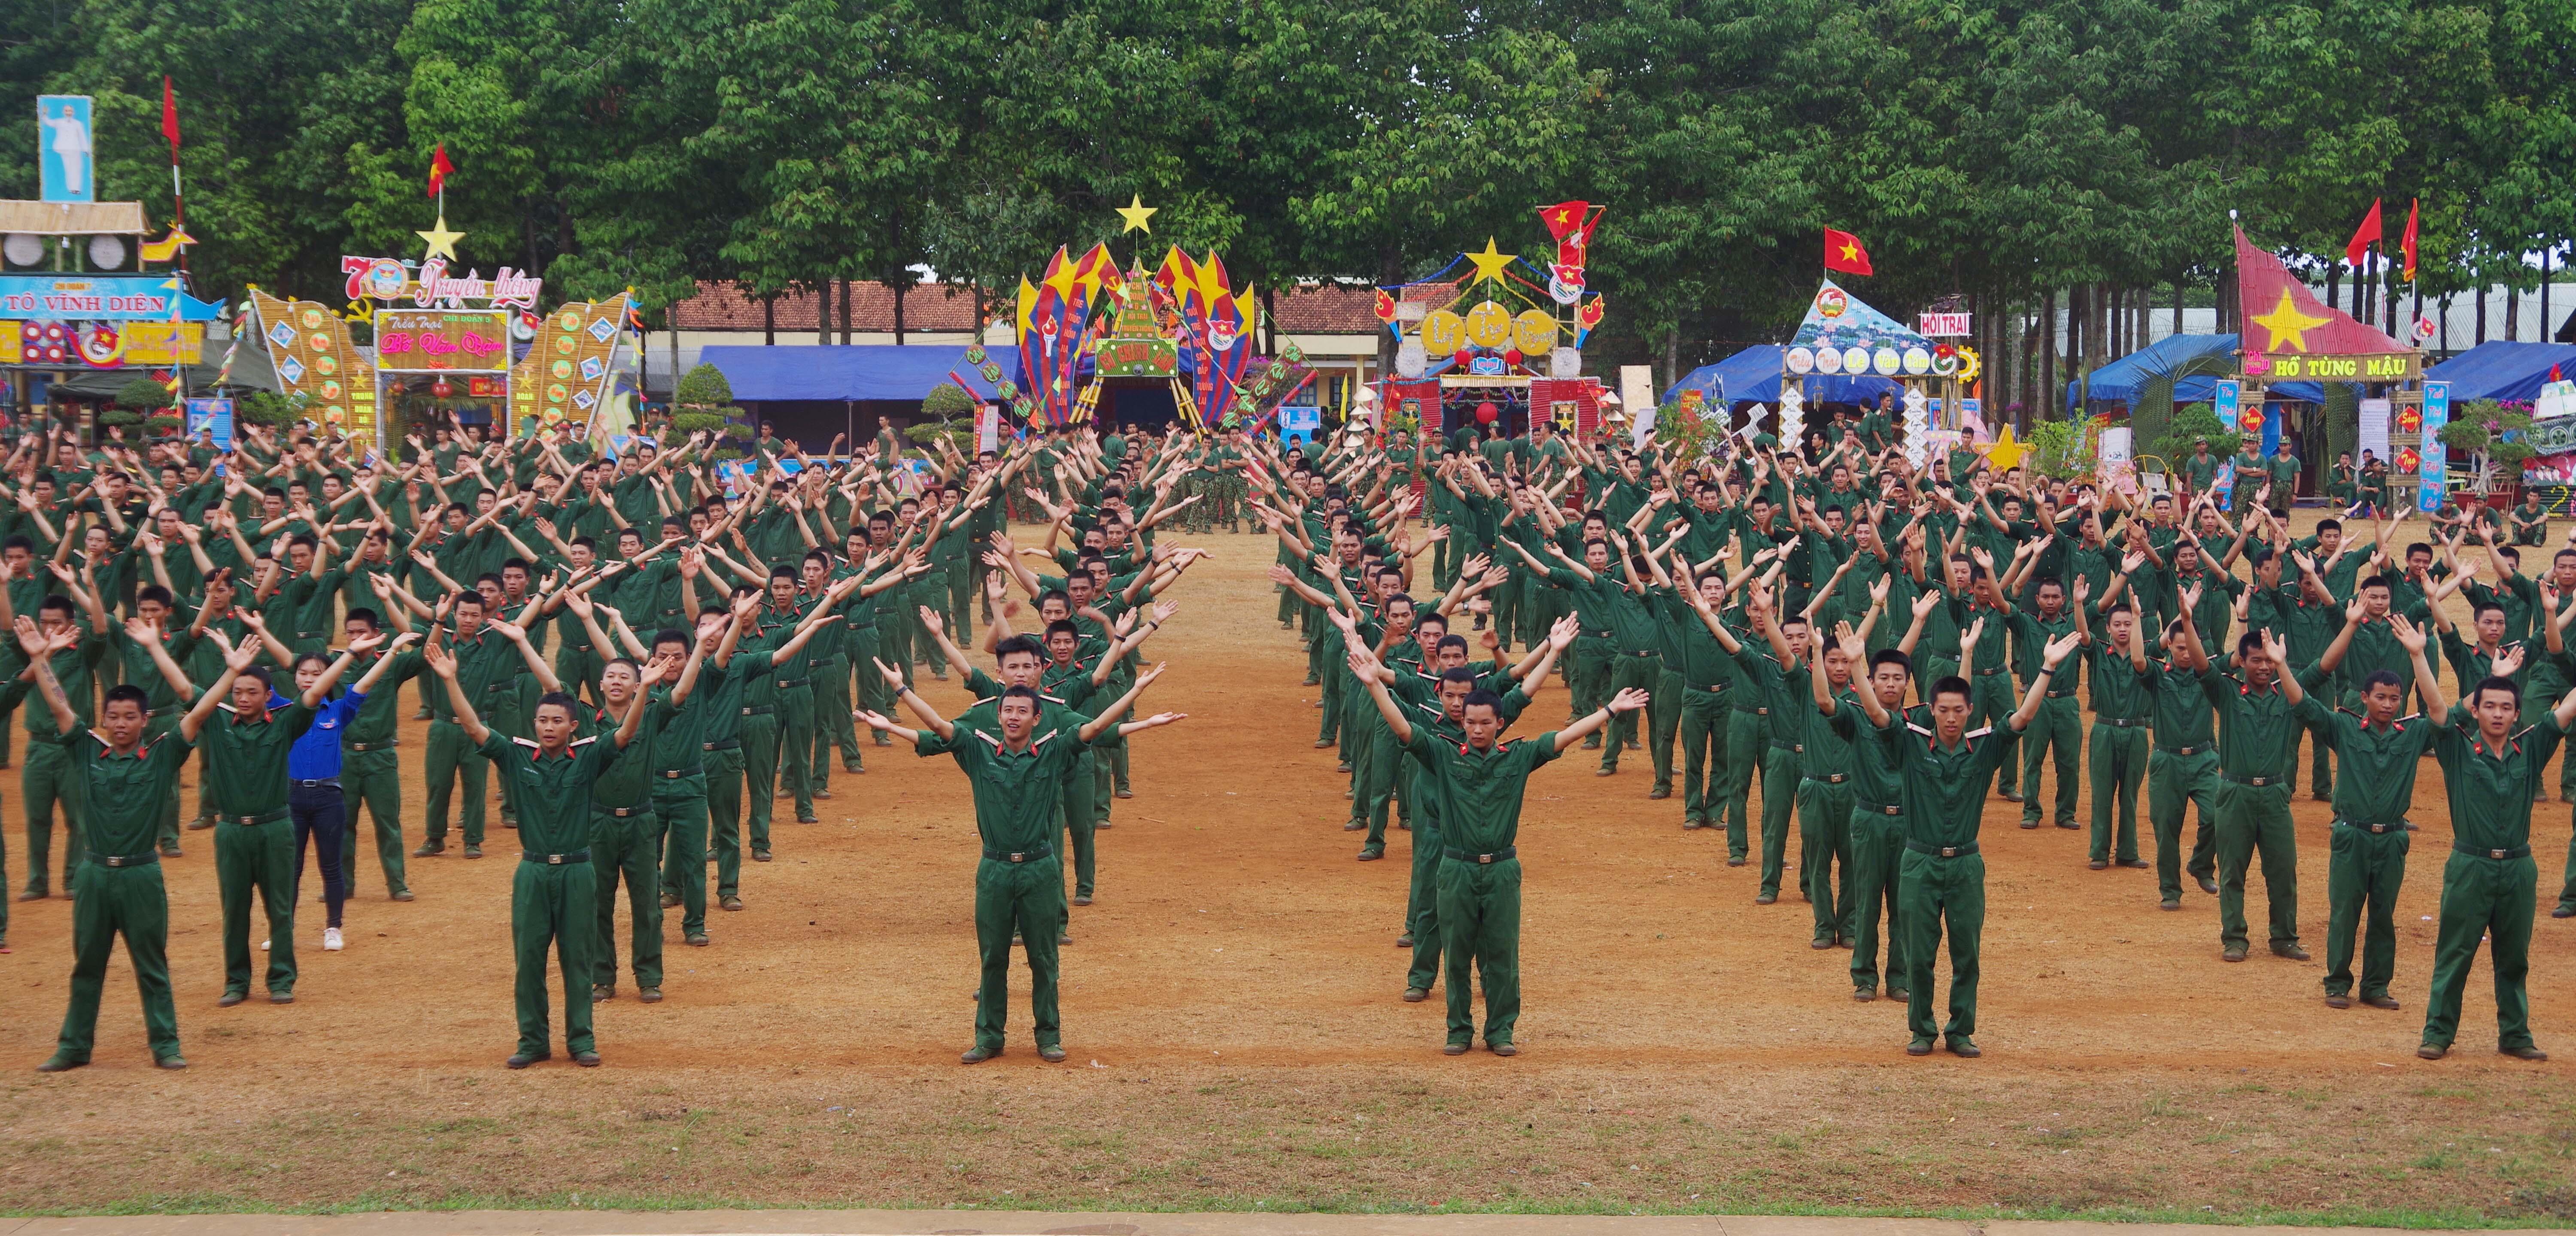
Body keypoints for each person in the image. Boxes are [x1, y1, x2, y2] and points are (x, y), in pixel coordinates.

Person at [863, 661, 1184, 1064]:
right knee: (993, 957)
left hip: (1040, 870)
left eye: (1021, 712)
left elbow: (1096, 728)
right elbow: (940, 727)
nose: (1013, 717)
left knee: (1044, 958)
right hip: (994, 870)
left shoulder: (1054, 751)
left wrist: (1135, 692)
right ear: (998, 715)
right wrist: (901, 691)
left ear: (1037, 718)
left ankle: (1048, 1036)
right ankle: (989, 1038)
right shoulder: (976, 751)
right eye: (1007, 711)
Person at [1354, 636, 1646, 1056]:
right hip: (1455, 868)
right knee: (1456, 956)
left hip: (1502, 871)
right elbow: (1403, 728)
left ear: (1497, 723)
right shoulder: (1442, 753)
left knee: (1503, 956)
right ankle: (1458, 1031)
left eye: (1485, 723)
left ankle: (1501, 1031)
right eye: (1470, 722)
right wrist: (1373, 685)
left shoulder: (1518, 757)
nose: (1475, 728)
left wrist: (1609, 710)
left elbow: (1562, 738)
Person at [424, 631, 654, 1069]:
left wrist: (643, 688)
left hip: (576, 872)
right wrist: (451, 681)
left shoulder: (588, 757)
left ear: (573, 727)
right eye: (542, 721)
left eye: (556, 722)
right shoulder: (516, 757)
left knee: (577, 958)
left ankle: (581, 1041)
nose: (548, 728)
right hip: (532, 874)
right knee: (529, 959)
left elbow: (626, 732)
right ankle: (532, 1042)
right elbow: (474, 728)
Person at [1849, 623, 2075, 1056]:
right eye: (1944, 710)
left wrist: (2046, 669)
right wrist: (1859, 664)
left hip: (1966, 866)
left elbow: (2023, 717)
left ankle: (1961, 1030)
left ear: (1971, 711)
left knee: (1966, 954)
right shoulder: (1909, 744)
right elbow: (1878, 715)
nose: (1951, 718)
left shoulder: (1985, 748)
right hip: (1918, 863)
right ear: (1930, 711)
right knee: (1919, 955)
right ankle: (1922, 1030)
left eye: (1959, 710)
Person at [21, 611, 224, 1072]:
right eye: (112, 716)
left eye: (129, 717)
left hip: (140, 875)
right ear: (105, 719)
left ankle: (166, 1045)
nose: (119, 724)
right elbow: (58, 706)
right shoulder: (86, 749)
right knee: (86, 966)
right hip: (93, 875)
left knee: (151, 965)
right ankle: (74, 1047)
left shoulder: (163, 755)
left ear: (143, 720)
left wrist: (229, 673)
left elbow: (199, 713)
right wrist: (41, 660)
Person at [2418, 666, 2576, 1062]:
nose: (2498, 714)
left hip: (2519, 869)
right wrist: (2419, 656)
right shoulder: (2456, 748)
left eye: (2507, 707)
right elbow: (2436, 707)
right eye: (2489, 706)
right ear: (2476, 711)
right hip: (2470, 866)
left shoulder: (2533, 746)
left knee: (2514, 958)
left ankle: (2516, 1035)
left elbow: (2569, 707)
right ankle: (2438, 1033)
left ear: (2517, 714)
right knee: (2455, 954)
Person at [2300, 611, 2443, 1011]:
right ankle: (2337, 984)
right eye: (2380, 697)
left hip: (2392, 837)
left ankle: (2376, 986)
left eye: (2395, 698)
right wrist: (2281, 664)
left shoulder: (2414, 733)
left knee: (2384, 915)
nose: (2387, 704)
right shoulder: (2344, 728)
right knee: (2345, 913)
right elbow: (2305, 707)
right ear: (2364, 698)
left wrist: (2418, 657)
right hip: (2352, 835)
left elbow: (2439, 712)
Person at [2179, 618, 2311, 963]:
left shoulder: (2287, 695)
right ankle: (2234, 938)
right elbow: (2201, 663)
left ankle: (2284, 938)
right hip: (2235, 792)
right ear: (2242, 660)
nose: (2265, 666)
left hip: (2275, 795)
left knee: (2283, 870)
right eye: (2257, 659)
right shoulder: (2226, 691)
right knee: (2233, 871)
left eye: (2270, 660)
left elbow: (2325, 667)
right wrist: (2190, 620)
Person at [278, 633, 416, 953]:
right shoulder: (281, 710)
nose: (309, 679)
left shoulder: (338, 711)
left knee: (331, 865)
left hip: (328, 798)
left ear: (329, 677)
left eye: (317, 673)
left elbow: (365, 684)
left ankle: (333, 927)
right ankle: (284, 929)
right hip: (291, 799)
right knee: (290, 868)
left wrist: (393, 651)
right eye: (303, 673)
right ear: (294, 676)